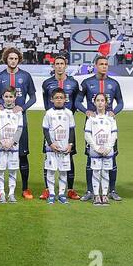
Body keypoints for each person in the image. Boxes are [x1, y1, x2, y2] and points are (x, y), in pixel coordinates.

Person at [0, 47, 38, 200]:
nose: (13, 61)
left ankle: (24, 188)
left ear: (19, 60)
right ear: (6, 59)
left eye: (15, 58)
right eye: (10, 58)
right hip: (2, 121)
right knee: (0, 154)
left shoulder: (26, 76)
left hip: (19, 122)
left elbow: (33, 98)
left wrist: (22, 107)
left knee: (22, 155)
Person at [79, 55, 123, 201]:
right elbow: (78, 101)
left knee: (112, 155)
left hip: (108, 125)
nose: (104, 66)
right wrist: (86, 111)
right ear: (96, 65)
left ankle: (112, 190)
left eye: (106, 64)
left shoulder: (114, 83)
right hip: (92, 124)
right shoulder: (87, 82)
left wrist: (114, 112)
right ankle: (90, 191)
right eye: (101, 64)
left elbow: (121, 102)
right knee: (90, 157)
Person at [40, 54, 81, 199]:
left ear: (66, 66)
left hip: (67, 126)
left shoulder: (73, 83)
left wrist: (68, 116)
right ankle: (47, 189)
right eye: (56, 63)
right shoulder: (47, 83)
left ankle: (69, 189)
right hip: (51, 125)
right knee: (49, 156)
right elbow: (46, 102)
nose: (59, 66)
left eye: (61, 63)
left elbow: (76, 101)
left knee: (69, 157)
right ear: (53, 66)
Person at [41, 88, 76, 205]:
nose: (59, 100)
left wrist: (70, 144)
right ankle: (51, 193)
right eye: (56, 98)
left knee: (63, 171)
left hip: (65, 147)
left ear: (65, 99)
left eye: (61, 98)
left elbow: (71, 130)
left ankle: (61, 194)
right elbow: (45, 130)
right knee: (51, 171)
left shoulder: (69, 113)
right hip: (51, 148)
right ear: (52, 99)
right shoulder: (49, 113)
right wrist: (50, 144)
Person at [84, 93, 119, 206]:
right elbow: (87, 135)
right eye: (97, 100)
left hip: (108, 151)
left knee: (105, 172)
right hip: (95, 151)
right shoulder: (91, 118)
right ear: (94, 103)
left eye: (102, 100)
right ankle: (96, 196)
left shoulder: (111, 118)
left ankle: (104, 195)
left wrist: (109, 147)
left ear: (106, 103)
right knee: (96, 172)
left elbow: (114, 134)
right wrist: (96, 148)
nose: (100, 103)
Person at [0, 87, 24, 203]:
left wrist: (12, 142)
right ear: (2, 97)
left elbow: (20, 128)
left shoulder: (18, 112)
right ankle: (1, 193)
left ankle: (11, 193)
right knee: (0, 170)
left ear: (15, 98)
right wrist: (1, 141)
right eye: (6, 96)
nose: (8, 99)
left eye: (11, 96)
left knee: (12, 170)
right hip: (1, 146)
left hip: (13, 146)